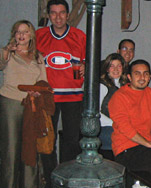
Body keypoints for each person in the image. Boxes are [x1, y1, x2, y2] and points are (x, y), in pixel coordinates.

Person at [36, 0, 86, 186]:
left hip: (73, 96)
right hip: (47, 96)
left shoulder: (79, 36)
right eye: (54, 13)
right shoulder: (39, 35)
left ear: (68, 14)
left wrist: (85, 67)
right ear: (48, 15)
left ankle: (67, 175)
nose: (58, 17)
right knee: (47, 139)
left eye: (62, 12)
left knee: (72, 139)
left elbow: (88, 61)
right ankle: (51, 178)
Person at [0, 20, 47, 188]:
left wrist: (38, 92)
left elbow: (43, 82)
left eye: (25, 32)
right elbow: (1, 63)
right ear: (14, 35)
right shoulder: (7, 53)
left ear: (31, 35)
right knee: (10, 150)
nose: (21, 35)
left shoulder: (38, 57)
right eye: (18, 32)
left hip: (30, 105)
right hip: (10, 103)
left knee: (30, 148)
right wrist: (7, 49)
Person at [99, 53, 129, 160]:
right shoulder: (102, 85)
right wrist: (115, 124)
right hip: (106, 127)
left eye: (119, 66)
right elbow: (96, 114)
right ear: (107, 68)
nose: (116, 69)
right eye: (112, 66)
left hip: (123, 126)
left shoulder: (125, 85)